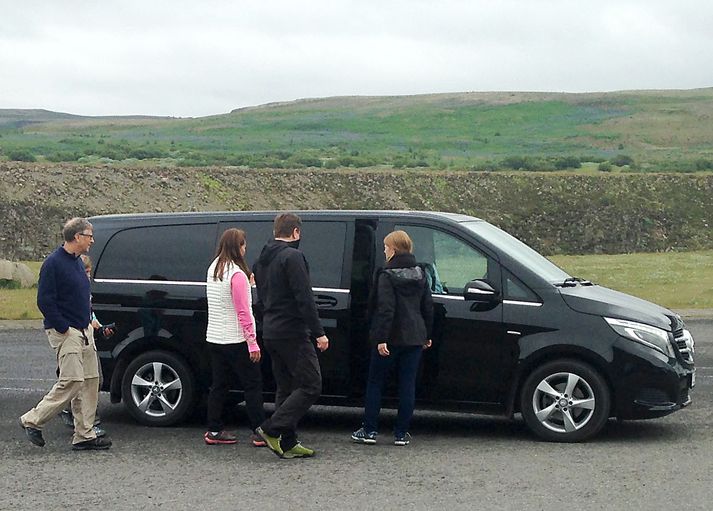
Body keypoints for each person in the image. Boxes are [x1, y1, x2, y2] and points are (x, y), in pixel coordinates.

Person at [20, 217, 112, 450]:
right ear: (77, 237)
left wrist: (91, 324)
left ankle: (84, 434)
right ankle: (32, 420)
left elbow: (82, 297)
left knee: (91, 381)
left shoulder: (78, 263)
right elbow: (45, 301)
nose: (92, 240)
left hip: (84, 330)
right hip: (67, 331)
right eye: (89, 235)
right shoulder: (53, 263)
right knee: (72, 380)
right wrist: (63, 327)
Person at [253, 213, 329, 459]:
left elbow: (261, 299)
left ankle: (289, 441)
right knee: (311, 384)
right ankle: (271, 429)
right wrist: (319, 332)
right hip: (292, 331)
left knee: (285, 387)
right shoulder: (293, 257)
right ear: (295, 232)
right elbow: (304, 298)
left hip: (271, 331)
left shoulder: (261, 260)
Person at [352, 230, 433, 446]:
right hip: (415, 336)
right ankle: (401, 433)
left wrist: (381, 338)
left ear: (394, 249)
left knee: (376, 382)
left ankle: (369, 430)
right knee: (407, 384)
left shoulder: (386, 274)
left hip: (391, 337)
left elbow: (385, 309)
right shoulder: (421, 272)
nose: (384, 250)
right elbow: (427, 306)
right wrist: (427, 335)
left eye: (386, 247)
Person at [204, 228, 266, 446]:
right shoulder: (237, 274)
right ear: (237, 247)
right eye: (243, 244)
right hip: (236, 339)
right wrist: (253, 343)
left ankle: (214, 429)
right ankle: (259, 430)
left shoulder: (213, 269)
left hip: (214, 336)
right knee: (252, 384)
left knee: (219, 385)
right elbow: (243, 311)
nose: (245, 247)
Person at [58, 254, 113, 438]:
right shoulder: (71, 289)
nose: (88, 276)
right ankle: (86, 422)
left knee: (94, 380)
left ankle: (77, 417)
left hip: (87, 337)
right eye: (85, 272)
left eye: (89, 272)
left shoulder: (85, 290)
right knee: (78, 382)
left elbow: (89, 311)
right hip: (74, 337)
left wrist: (97, 324)